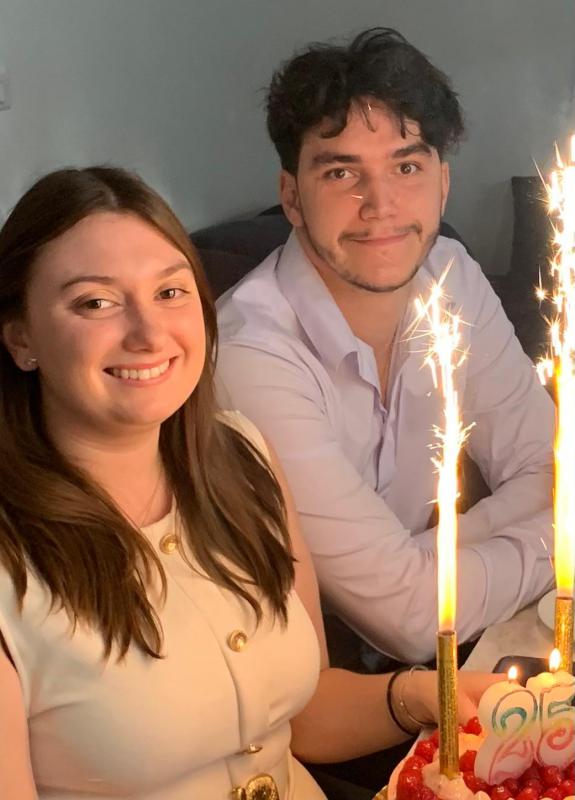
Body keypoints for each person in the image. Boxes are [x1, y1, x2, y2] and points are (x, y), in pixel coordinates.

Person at [0, 166, 501, 799]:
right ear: (21, 336)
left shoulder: (243, 458)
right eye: (95, 302)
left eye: (170, 291)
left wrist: (428, 695)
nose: (149, 334)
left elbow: (303, 713)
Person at [216, 27, 555, 668]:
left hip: (457, 641)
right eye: (341, 172)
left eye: (406, 167)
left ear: (442, 183)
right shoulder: (250, 355)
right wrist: (557, 539)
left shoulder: (450, 273)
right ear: (291, 196)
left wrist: (425, 557)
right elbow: (412, 620)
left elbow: (550, 472)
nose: (380, 205)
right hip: (320, 682)